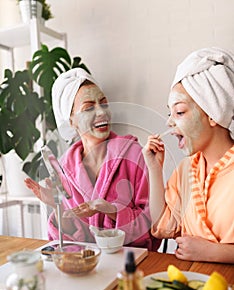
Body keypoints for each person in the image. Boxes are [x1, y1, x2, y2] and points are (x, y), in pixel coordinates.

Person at [25, 68, 160, 251]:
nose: (101, 112)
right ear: (71, 121)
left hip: (132, 262)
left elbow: (153, 226)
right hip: (87, 266)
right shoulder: (65, 168)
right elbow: (73, 239)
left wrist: (110, 210)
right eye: (89, 108)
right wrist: (58, 208)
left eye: (104, 104)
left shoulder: (135, 155)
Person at [143, 47, 234, 262]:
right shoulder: (187, 169)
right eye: (170, 113)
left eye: (180, 112)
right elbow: (161, 226)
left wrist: (216, 253)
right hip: (193, 284)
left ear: (213, 114)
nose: (169, 122)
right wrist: (155, 170)